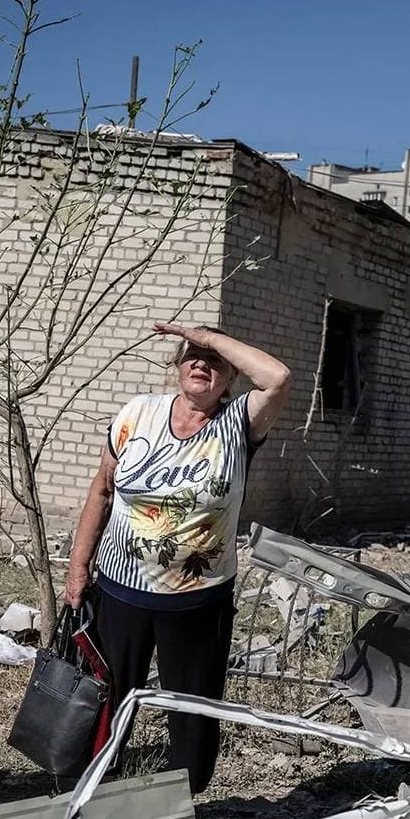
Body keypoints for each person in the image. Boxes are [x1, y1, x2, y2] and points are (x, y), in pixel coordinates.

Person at [64, 322, 291, 792]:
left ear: (230, 376)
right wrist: (77, 568)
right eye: (192, 355)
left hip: (196, 601)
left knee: (193, 711)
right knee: (104, 699)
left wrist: (205, 335)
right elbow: (102, 490)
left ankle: (181, 805)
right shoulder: (138, 412)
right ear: (176, 366)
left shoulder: (239, 423)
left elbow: (277, 377)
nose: (201, 364)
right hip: (120, 590)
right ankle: (89, 793)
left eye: (214, 361)